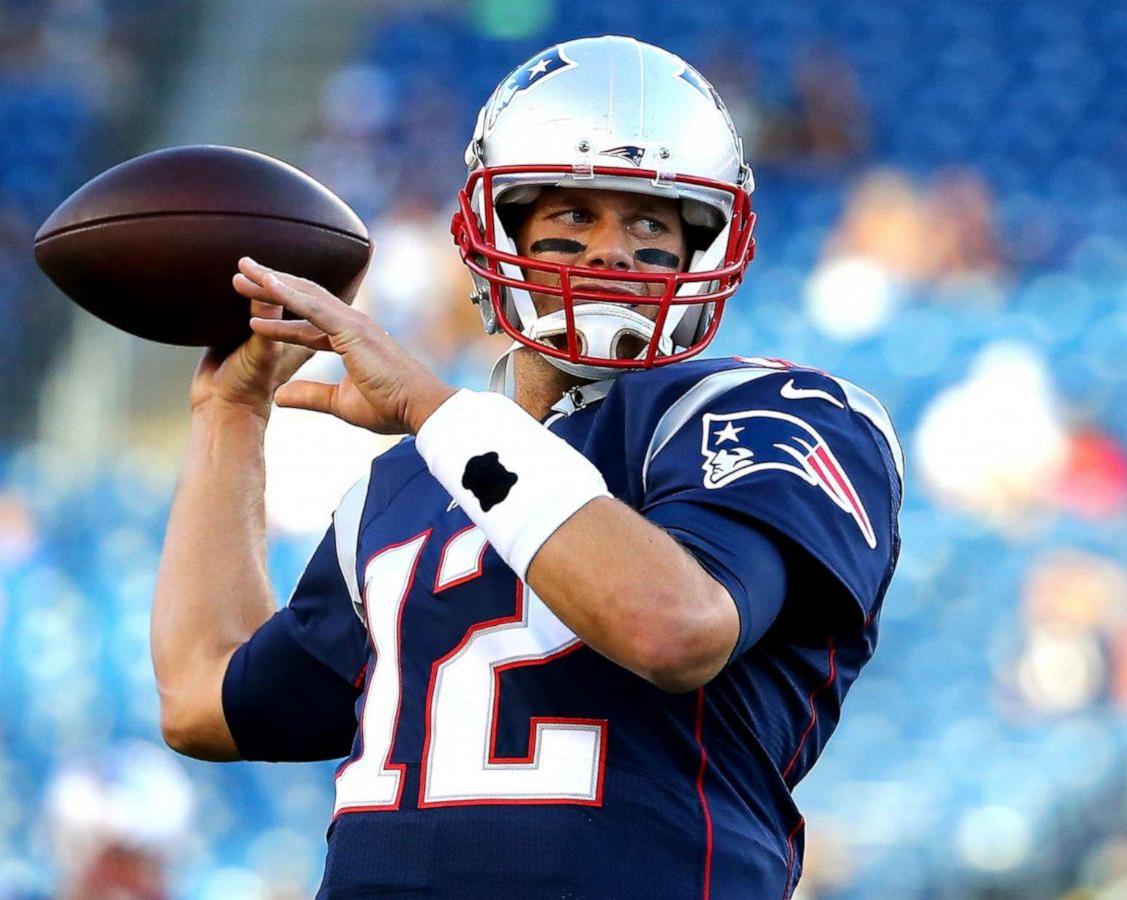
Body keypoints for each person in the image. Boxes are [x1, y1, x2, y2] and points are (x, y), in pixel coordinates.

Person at [151, 36, 903, 897]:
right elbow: (206, 698)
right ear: (493, 226)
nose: (615, 251)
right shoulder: (401, 486)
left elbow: (673, 626)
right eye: (575, 215)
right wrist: (230, 415)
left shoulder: (774, 413)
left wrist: (435, 411)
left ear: (708, 244)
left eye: (651, 221)